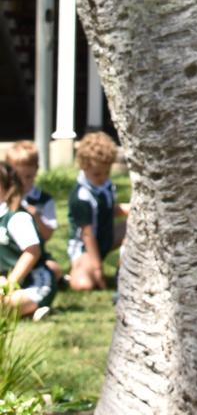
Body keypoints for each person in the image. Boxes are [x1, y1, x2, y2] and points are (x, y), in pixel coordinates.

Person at [67, 132, 129, 291]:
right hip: (86, 247)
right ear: (84, 166)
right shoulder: (81, 196)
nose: (102, 177)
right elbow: (87, 235)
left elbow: (108, 209)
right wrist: (97, 268)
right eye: (97, 174)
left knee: (136, 227)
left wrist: (130, 210)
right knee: (83, 285)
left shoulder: (106, 185)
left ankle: (124, 270)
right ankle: (73, 273)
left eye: (106, 172)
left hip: (106, 236)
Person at [0, 162, 56, 320]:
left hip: (34, 283)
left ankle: (33, 307)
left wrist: (10, 284)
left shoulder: (17, 217)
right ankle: (29, 313)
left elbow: (32, 251)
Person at [4, 140, 63, 282]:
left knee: (54, 269)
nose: (23, 182)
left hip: (36, 256)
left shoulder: (43, 200)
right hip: (6, 255)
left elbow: (47, 235)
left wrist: (36, 217)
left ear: (36, 170)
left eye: (28, 176)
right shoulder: (4, 199)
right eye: (18, 177)